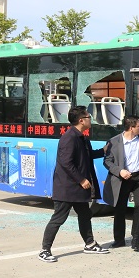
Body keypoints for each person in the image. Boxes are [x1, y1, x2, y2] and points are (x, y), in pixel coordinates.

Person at [38, 106, 109, 263]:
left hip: (78, 189)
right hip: (67, 187)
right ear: (81, 120)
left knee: (84, 215)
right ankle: (44, 250)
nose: (91, 119)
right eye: (89, 117)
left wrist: (104, 150)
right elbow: (66, 163)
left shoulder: (82, 137)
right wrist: (81, 179)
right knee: (58, 218)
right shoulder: (69, 138)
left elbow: (88, 155)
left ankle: (90, 244)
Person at [103, 115, 139, 252]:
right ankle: (119, 239)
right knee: (120, 209)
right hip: (123, 178)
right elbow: (107, 161)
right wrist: (120, 171)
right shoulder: (114, 141)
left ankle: (136, 238)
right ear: (131, 128)